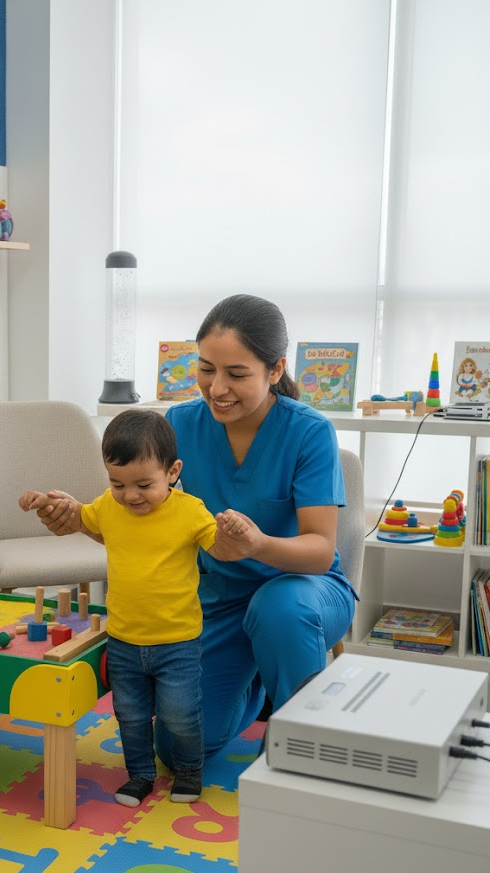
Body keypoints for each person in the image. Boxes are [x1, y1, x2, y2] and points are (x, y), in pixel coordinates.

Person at [30, 294, 357, 767]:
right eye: (206, 369)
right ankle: (258, 683)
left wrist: (258, 544)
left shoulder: (309, 431)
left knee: (278, 609)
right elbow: (145, 522)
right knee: (178, 749)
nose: (217, 387)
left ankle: (299, 745)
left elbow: (319, 552)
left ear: (275, 369)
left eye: (236, 374)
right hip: (219, 600)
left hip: (303, 593)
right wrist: (79, 519)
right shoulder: (180, 424)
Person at [19, 409, 247, 807]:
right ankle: (139, 775)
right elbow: (79, 516)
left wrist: (235, 533)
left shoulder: (190, 510)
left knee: (180, 714)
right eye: (117, 483)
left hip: (177, 641)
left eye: (144, 484)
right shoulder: (109, 506)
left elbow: (221, 549)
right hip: (124, 639)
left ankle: (189, 771)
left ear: (173, 471)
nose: (130, 495)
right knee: (130, 716)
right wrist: (47, 501)